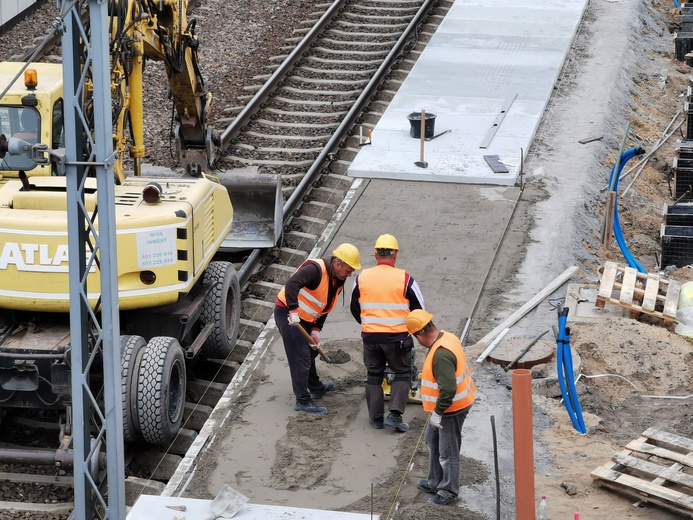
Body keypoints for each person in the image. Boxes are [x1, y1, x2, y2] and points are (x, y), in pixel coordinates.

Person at [274, 243, 361, 415]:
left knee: (310, 353)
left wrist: (316, 331)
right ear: (338, 264)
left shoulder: (338, 279)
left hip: (306, 319)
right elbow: (292, 284)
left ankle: (315, 387)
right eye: (348, 270)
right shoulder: (315, 269)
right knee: (301, 358)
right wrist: (292, 311)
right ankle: (303, 401)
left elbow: (325, 307)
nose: (350, 275)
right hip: (289, 315)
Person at [350, 234, 424, 432]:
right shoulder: (405, 279)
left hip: (371, 337)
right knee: (402, 373)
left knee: (373, 375)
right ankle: (395, 415)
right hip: (397, 338)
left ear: (376, 255)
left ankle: (376, 419)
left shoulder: (362, 277)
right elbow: (419, 311)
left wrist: (368, 325)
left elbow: (354, 307)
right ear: (395, 255)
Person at [406, 309, 475, 506]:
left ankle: (448, 491)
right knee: (432, 440)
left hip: (452, 409)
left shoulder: (441, 354)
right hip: (448, 407)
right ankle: (435, 482)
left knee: (448, 451)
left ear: (419, 334)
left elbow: (448, 390)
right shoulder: (447, 337)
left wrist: (437, 413)